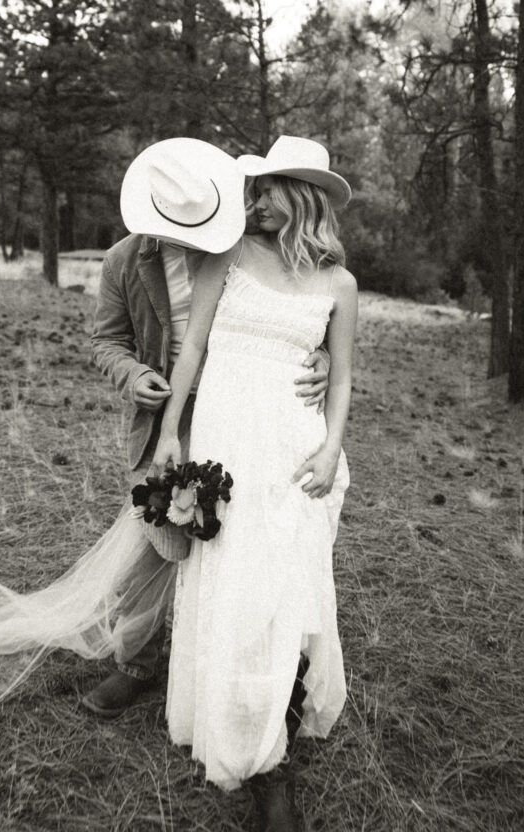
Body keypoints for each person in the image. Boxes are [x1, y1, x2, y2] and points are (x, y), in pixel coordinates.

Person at [150, 135, 358, 832]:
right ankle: (245, 734)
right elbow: (195, 344)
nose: (257, 200)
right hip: (226, 441)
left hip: (295, 449)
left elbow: (344, 374)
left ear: (303, 196)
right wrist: (171, 428)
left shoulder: (339, 284)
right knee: (231, 571)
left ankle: (277, 738)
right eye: (255, 187)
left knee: (288, 584)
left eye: (270, 189)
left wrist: (331, 446)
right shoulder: (226, 255)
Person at [83, 137, 331, 717]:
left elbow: (301, 312)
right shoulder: (123, 260)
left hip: (239, 407)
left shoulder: (248, 247)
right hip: (166, 412)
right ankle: (137, 663)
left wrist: (319, 359)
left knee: (241, 534)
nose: (184, 239)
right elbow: (105, 340)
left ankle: (238, 661)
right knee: (158, 536)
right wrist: (132, 372)